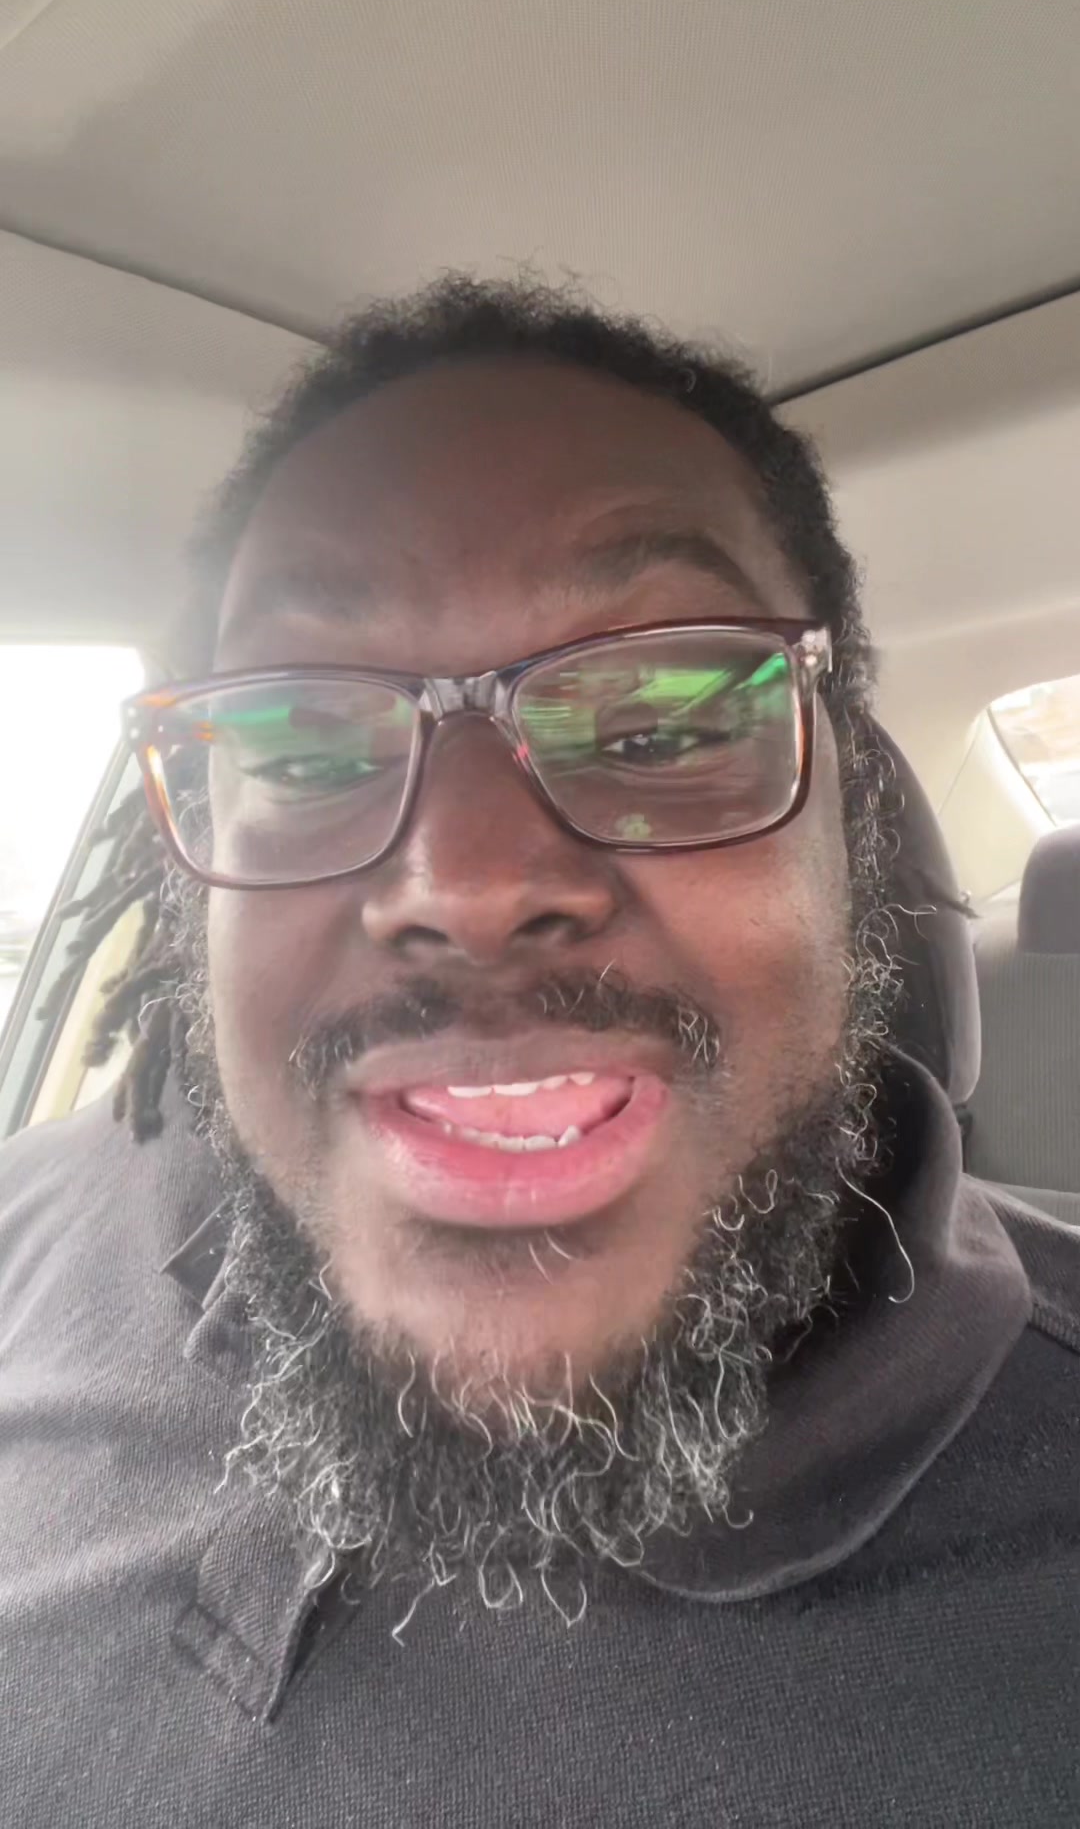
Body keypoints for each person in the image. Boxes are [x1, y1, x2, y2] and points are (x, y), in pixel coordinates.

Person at [1, 277, 1075, 1827]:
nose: (468, 883)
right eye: (305, 740)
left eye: (658, 725)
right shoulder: (29, 1234)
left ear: (853, 822)